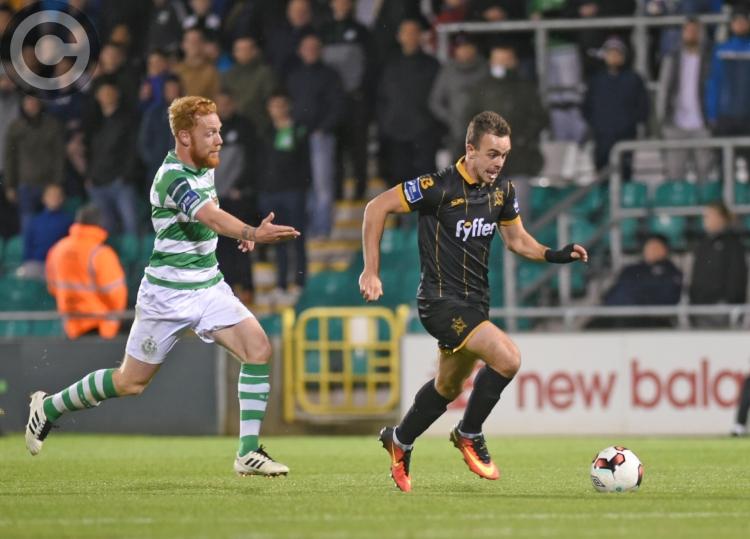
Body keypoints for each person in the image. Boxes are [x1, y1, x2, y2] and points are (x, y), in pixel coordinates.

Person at [26, 96, 300, 478]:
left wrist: (239, 234)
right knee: (129, 382)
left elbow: (210, 218)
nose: (219, 139)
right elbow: (209, 215)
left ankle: (247, 452)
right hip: (166, 296)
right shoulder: (172, 177)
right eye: (210, 132)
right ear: (185, 136)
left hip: (208, 286)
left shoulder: (205, 165)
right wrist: (250, 232)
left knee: (258, 348)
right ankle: (48, 407)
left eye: (219, 130)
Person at [359, 111, 588, 492]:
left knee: (448, 387)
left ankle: (400, 439)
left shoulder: (502, 192)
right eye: (492, 154)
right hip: (440, 303)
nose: (499, 163)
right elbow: (375, 208)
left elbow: (517, 241)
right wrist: (371, 270)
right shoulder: (437, 186)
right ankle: (469, 432)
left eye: (504, 155)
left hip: (475, 304)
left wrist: (554, 254)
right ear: (470, 150)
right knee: (508, 358)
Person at [45, 204, 127, 339]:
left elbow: (52, 287)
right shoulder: (101, 254)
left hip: (69, 326)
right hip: (99, 327)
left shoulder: (57, 249)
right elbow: (116, 295)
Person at [583, 36, 649, 180]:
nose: (614, 57)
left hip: (625, 135)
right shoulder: (596, 80)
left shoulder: (633, 79)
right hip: (602, 136)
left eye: (617, 53)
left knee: (624, 173)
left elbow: (642, 106)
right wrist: (596, 125)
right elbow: (587, 106)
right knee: (602, 172)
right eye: (610, 53)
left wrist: (632, 123)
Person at [656, 17, 713, 182]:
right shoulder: (672, 58)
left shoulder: (710, 59)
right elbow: (663, 89)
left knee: (705, 172)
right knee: (675, 172)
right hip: (675, 124)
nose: (692, 34)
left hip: (702, 124)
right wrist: (662, 119)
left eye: (695, 30)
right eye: (688, 30)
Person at [589, 234, 682, 328]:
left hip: (648, 318)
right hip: (616, 315)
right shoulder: (632, 269)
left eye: (655, 247)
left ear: (665, 249)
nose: (651, 251)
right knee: (593, 326)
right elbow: (612, 293)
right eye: (649, 247)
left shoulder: (671, 272)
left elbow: (668, 298)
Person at [689, 201, 748, 327]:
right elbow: (696, 276)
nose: (705, 220)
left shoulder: (733, 244)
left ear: (721, 218)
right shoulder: (702, 244)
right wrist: (693, 302)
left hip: (721, 307)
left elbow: (737, 276)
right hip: (699, 306)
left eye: (709, 216)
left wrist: (729, 302)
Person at [19, 184, 74, 280]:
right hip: (35, 263)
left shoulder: (68, 221)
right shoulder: (35, 221)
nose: (54, 198)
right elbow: (28, 244)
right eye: (50, 195)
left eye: (57, 195)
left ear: (62, 199)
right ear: (44, 199)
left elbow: (70, 244)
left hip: (58, 264)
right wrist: (27, 262)